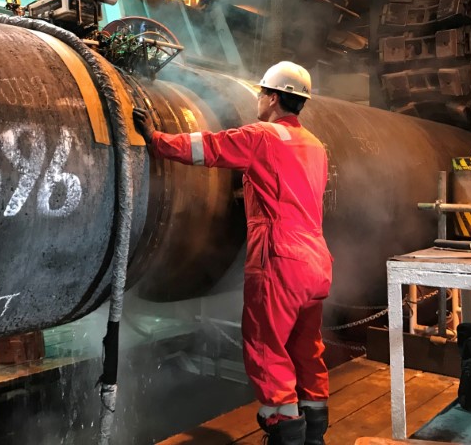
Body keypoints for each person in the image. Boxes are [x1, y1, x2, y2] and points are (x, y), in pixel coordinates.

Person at [133, 61, 332, 445]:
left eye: (261, 93)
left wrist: (155, 138)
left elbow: (205, 148)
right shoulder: (315, 145)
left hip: (279, 257)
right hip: (316, 259)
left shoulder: (263, 136)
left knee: (266, 346)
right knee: (306, 346)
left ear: (273, 98)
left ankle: (284, 432)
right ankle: (315, 434)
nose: (258, 99)